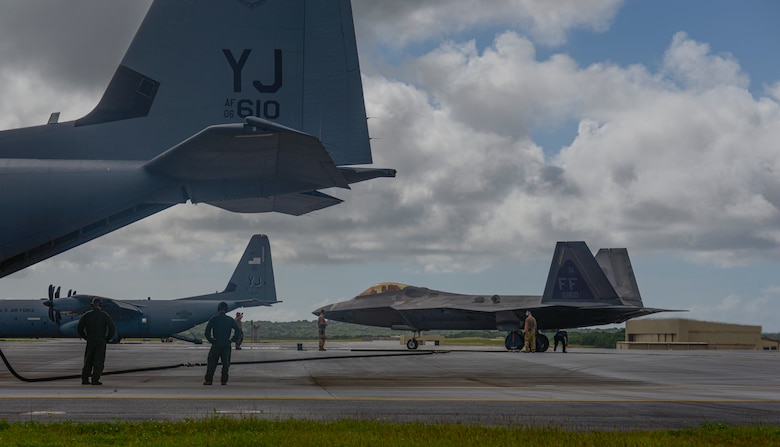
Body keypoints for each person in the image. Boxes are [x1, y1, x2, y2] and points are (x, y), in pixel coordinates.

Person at [77, 297, 116, 385]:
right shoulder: (104, 315)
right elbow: (112, 328)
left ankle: (85, 379)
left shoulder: (86, 315)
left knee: (88, 360)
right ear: (101, 305)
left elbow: (79, 328)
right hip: (100, 340)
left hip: (90, 340)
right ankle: (95, 379)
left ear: (91, 306)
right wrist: (107, 338)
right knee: (98, 360)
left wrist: (85, 336)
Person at [203, 301, 242, 385]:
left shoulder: (214, 318)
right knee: (226, 363)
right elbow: (237, 331)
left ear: (218, 308)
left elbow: (207, 332)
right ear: (226, 309)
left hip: (216, 343)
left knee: (211, 363)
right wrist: (232, 340)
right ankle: (224, 380)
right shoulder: (230, 320)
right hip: (226, 343)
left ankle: (209, 380)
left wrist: (211, 340)